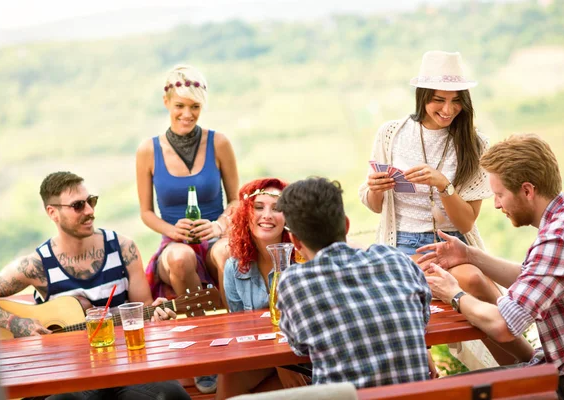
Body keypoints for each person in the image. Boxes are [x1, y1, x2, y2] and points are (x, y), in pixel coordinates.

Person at [358, 50, 533, 366]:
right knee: (459, 285)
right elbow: (374, 207)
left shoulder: (474, 142)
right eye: (439, 99)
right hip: (403, 246)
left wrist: (444, 185)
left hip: (451, 242)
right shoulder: (391, 134)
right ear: (422, 96)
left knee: (475, 280)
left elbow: (466, 223)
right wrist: (375, 189)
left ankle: (527, 360)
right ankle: (525, 362)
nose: (448, 109)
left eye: (456, 101)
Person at [419, 134, 564, 400]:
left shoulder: (556, 240)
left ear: (527, 190)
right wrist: (469, 255)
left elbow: (503, 325)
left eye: (500, 194)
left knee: (445, 394)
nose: (497, 203)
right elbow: (531, 278)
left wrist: (453, 293)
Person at [0, 171, 189, 400]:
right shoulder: (37, 265)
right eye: (78, 205)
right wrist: (15, 323)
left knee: (173, 395)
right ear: (53, 213)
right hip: (67, 377)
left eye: (91, 201)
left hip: (125, 368)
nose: (89, 211)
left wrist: (156, 315)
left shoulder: (123, 248)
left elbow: (144, 309)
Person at [275, 177, 433, 388]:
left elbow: (299, 347)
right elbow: (423, 318)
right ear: (347, 225)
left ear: (295, 241)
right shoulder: (397, 260)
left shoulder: (294, 283)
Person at [136, 64, 239, 303]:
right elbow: (146, 212)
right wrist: (172, 230)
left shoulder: (219, 143)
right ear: (166, 102)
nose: (187, 114)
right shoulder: (148, 151)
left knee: (227, 252)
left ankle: (236, 321)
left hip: (217, 236)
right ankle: (202, 322)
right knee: (180, 258)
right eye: (179, 106)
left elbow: (235, 199)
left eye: (195, 107)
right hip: (174, 242)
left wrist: (219, 226)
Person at [216, 178, 307, 399]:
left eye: (276, 209)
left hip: (305, 355)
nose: (266, 215)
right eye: (258, 207)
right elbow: (241, 329)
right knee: (229, 376)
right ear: (245, 214)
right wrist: (278, 362)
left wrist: (285, 361)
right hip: (266, 356)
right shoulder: (234, 268)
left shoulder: (303, 258)